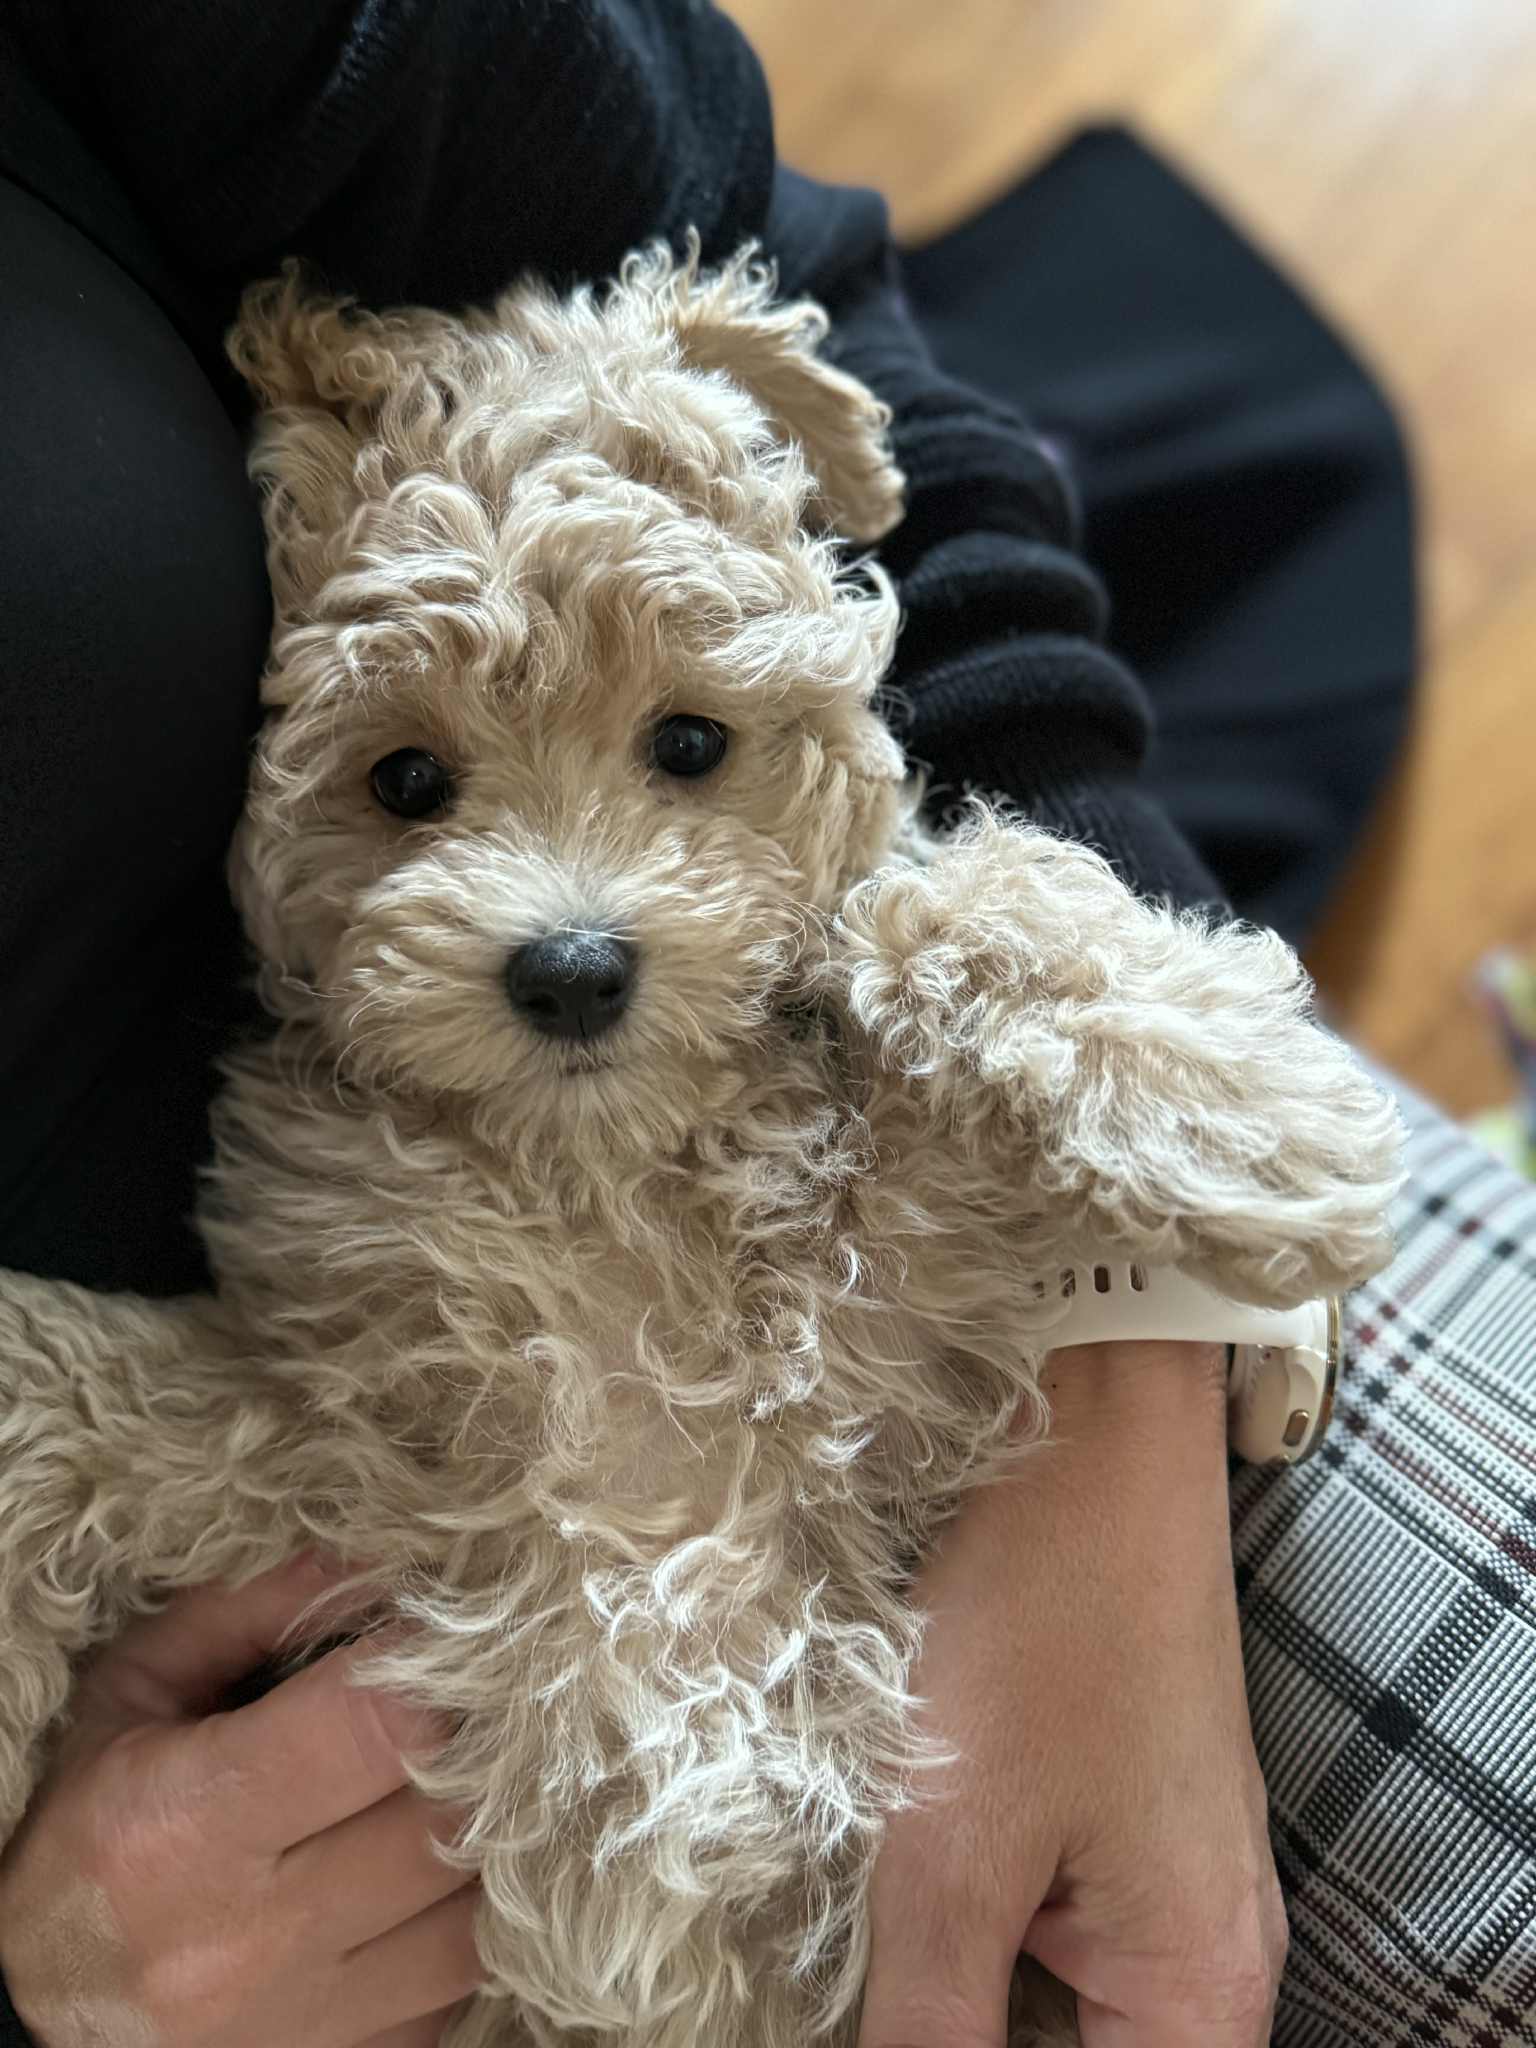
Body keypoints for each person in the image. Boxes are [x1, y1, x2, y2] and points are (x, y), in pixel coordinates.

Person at [0, 3, 1391, 2043]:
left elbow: (789, 306)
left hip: (1033, 1399)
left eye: (680, 748)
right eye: (414, 788)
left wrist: (1119, 1325)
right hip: (292, 1713)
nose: (568, 923)